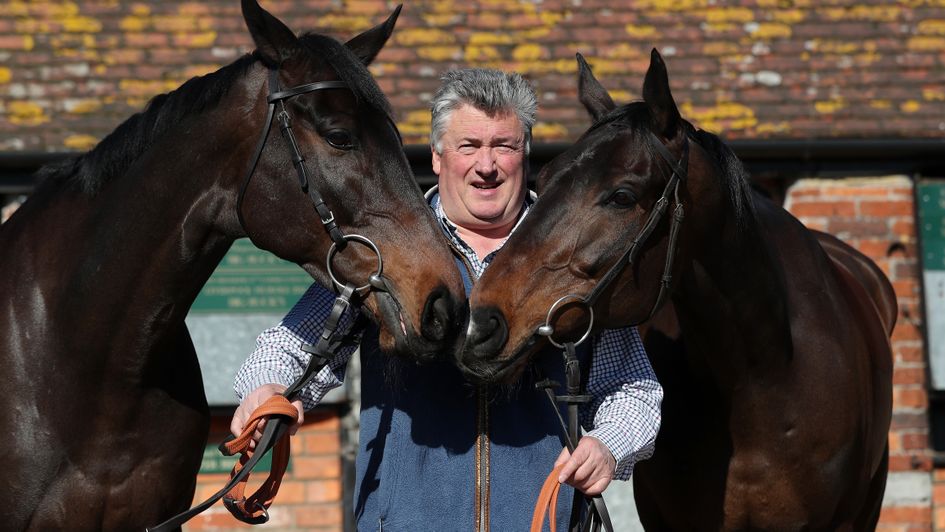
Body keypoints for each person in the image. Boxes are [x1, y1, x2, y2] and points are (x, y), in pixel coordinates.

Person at [231, 68, 662, 531]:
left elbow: (633, 391)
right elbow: (289, 349)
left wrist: (607, 445)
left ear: (525, 153)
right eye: (468, 146)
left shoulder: (573, 254)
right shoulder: (384, 252)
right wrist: (267, 390)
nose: (487, 165)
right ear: (437, 157)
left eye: (504, 146)